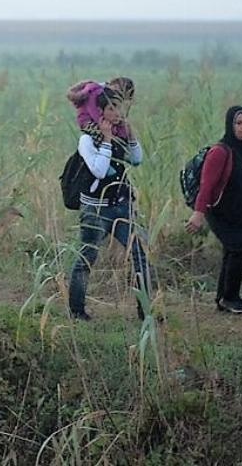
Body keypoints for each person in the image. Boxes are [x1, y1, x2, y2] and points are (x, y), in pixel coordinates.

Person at [68, 88, 151, 321]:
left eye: (119, 107)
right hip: (95, 208)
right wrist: (105, 141)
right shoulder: (87, 139)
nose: (117, 112)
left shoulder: (120, 134)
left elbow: (136, 160)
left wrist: (131, 135)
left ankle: (145, 311)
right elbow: (99, 169)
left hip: (122, 205)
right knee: (87, 257)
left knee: (139, 255)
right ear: (100, 111)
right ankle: (77, 310)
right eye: (111, 108)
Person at [183, 106, 242, 314]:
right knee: (241, 248)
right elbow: (207, 184)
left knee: (231, 252)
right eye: (238, 123)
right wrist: (198, 214)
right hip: (220, 213)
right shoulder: (220, 151)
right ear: (230, 125)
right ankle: (231, 297)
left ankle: (222, 299)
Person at [66, 77, 134, 139]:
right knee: (103, 137)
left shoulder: (104, 92)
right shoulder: (94, 92)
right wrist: (111, 130)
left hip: (98, 120)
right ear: (115, 86)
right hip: (87, 121)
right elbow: (94, 112)